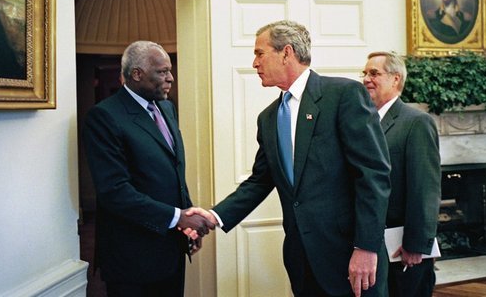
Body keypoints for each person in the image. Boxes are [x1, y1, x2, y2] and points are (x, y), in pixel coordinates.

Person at [186, 20, 392, 297]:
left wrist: (366, 247)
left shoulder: (343, 95)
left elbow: (373, 175)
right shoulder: (269, 117)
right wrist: (214, 215)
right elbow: (260, 180)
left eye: (260, 53)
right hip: (302, 260)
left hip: (351, 256)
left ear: (286, 53)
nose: (254, 63)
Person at [83, 40, 215, 297]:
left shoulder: (166, 107)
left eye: (169, 71)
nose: (171, 78)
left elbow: (175, 171)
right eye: (162, 72)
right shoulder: (105, 116)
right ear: (137, 74)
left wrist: (185, 222)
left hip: (171, 247)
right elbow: (114, 191)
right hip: (132, 256)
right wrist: (179, 217)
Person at [362, 52, 441, 297]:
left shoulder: (416, 122)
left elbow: (425, 189)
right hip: (372, 245)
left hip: (403, 248)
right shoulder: (363, 122)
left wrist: (416, 244)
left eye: (374, 73)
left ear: (396, 79)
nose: (366, 79)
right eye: (364, 73)